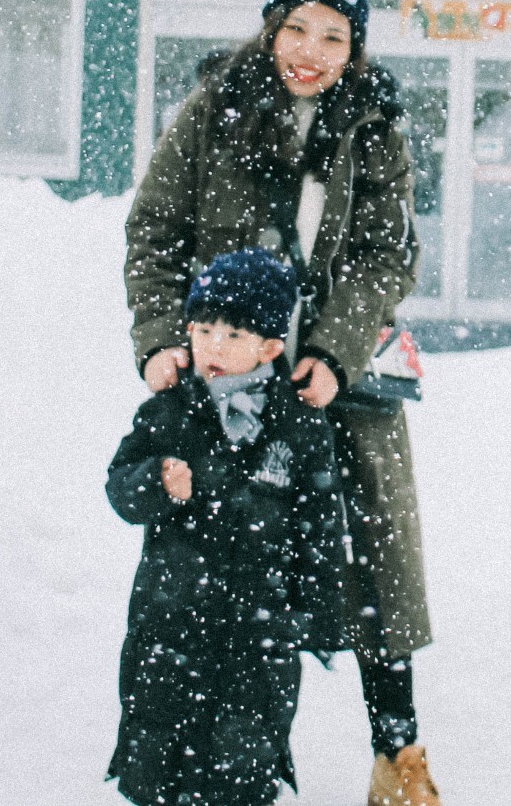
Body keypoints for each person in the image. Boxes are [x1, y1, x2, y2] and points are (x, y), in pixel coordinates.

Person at [126, 0, 443, 806]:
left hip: (334, 378)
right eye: (300, 28)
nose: (312, 52)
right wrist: (161, 339)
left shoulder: (375, 124)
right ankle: (211, 768)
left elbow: (389, 252)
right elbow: (154, 228)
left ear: (355, 47)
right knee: (223, 574)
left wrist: (336, 351)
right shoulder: (213, 108)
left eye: (334, 37)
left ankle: (398, 755)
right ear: (273, 26)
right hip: (229, 376)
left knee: (375, 556)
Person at [104, 247, 349, 806]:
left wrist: (314, 615)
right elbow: (120, 484)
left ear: (269, 346)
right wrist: (156, 482)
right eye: (204, 328)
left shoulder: (297, 423)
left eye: (233, 334)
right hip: (171, 623)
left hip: (257, 635)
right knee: (159, 752)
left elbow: (320, 525)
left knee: (244, 760)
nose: (214, 344)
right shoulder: (171, 411)